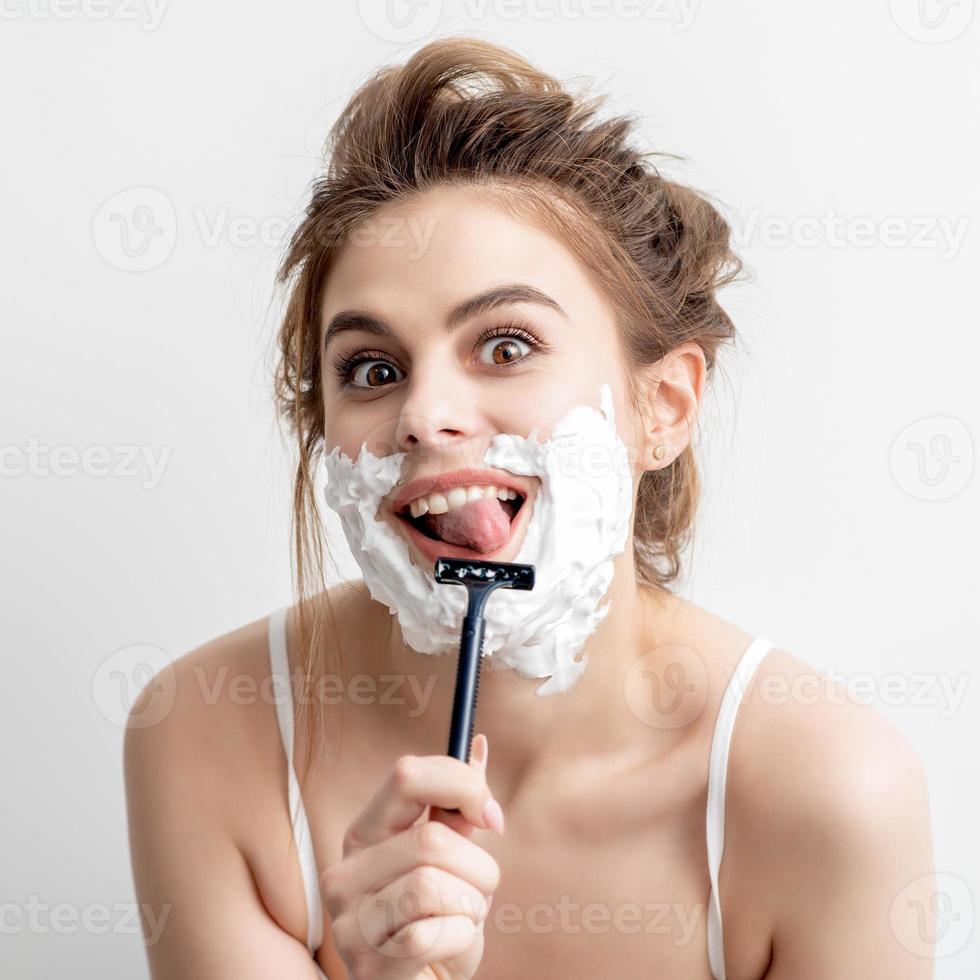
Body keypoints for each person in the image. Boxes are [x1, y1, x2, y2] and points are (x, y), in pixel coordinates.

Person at [124, 37, 935, 980]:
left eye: (505, 346)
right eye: (373, 369)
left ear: (661, 408)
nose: (424, 415)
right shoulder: (204, 737)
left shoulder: (828, 795)